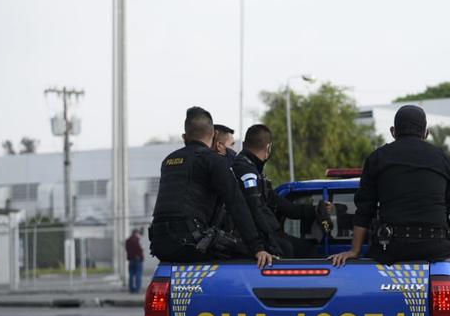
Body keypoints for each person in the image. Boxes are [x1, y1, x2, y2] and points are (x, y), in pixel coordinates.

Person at [329, 105, 450, 268]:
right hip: (435, 249)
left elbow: (364, 209)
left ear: (393, 131)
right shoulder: (445, 160)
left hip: (390, 249)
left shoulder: (377, 158)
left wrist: (354, 251)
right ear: (426, 133)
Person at [149, 107, 273, 268]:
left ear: (184, 137)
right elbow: (236, 203)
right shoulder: (212, 160)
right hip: (191, 243)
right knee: (249, 252)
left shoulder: (168, 161)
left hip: (160, 244)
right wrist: (258, 248)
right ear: (214, 135)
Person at [233, 124, 333, 257]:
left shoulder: (255, 172)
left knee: (307, 248)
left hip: (266, 236)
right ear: (268, 147)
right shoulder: (246, 171)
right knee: (290, 249)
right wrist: (265, 245)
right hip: (259, 241)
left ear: (244, 144)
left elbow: (284, 206)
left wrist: (315, 210)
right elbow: (255, 210)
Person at [125, 228, 144, 293]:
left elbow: (127, 249)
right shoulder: (137, 240)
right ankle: (137, 289)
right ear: (136, 233)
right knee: (138, 274)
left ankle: (131, 289)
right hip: (137, 259)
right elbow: (139, 249)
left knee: (131, 274)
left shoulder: (128, 240)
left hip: (131, 259)